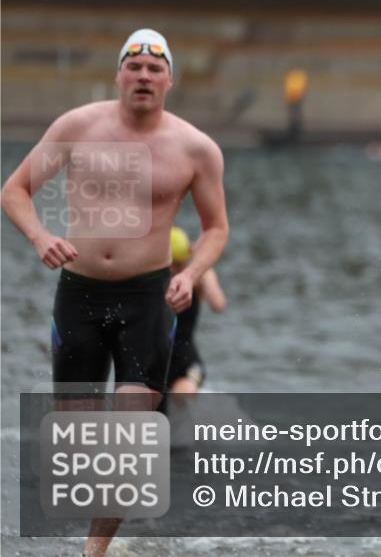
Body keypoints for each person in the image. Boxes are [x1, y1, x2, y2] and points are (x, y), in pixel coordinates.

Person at [0, 28, 229, 557]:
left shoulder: (195, 147)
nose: (144, 76)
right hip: (78, 294)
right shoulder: (78, 127)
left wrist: (190, 274)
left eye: (155, 68)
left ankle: (94, 550)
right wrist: (40, 236)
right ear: (119, 74)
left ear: (170, 78)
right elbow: (15, 190)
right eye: (134, 66)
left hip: (147, 299)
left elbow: (217, 227)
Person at [163, 226, 227, 412]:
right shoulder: (152, 279)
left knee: (182, 394)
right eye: (170, 266)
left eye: (178, 265)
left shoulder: (198, 278)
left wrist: (202, 267)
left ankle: (193, 434)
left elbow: (218, 304)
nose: (174, 272)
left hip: (186, 361)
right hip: (156, 360)